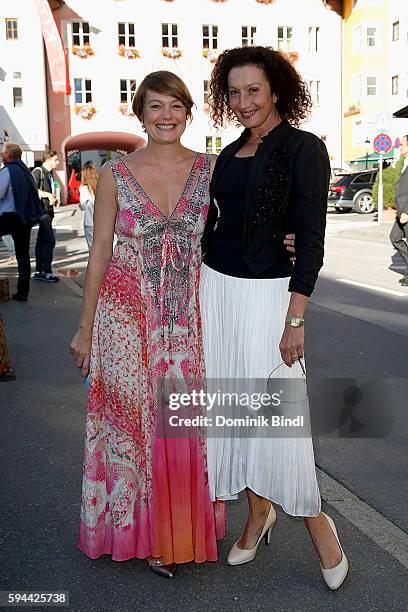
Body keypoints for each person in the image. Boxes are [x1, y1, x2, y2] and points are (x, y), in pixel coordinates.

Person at [200, 46, 348, 590]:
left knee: (280, 417)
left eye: (253, 91)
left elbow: (311, 235)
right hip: (218, 291)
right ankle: (257, 514)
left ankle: (317, 526)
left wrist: (296, 317)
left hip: (270, 297)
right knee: (234, 411)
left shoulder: (303, 148)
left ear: (277, 90)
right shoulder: (229, 151)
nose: (242, 102)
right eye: (234, 92)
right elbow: (216, 225)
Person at [70, 71, 226, 578]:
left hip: (188, 319)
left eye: (175, 105)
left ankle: (179, 527)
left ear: (187, 112)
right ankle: (151, 535)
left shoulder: (211, 169)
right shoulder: (116, 173)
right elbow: (99, 250)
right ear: (141, 114)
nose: (166, 115)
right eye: (155, 106)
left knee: (180, 423)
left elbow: (238, 234)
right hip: (126, 318)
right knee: (136, 428)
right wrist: (84, 327)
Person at [0, 142, 43, 301]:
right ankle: (23, 292)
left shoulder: (7, 171)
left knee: (21, 254)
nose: (1, 155)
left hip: (8, 216)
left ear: (9, 155)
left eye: (3, 153)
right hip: (24, 218)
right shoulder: (27, 172)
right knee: (23, 256)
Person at [32, 150, 60, 283]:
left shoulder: (49, 174)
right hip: (42, 212)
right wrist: (48, 195)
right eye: (55, 159)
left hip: (48, 211)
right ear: (48, 159)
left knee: (41, 241)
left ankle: (39, 271)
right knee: (49, 241)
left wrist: (54, 198)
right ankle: (46, 271)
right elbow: (33, 190)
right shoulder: (38, 171)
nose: (58, 162)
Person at [390, 134, 408, 286]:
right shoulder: (405, 162)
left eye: (402, 144)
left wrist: (407, 211)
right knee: (394, 237)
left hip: (406, 212)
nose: (400, 146)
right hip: (401, 212)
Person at [79, 162, 98, 251]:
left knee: (92, 250)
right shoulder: (100, 186)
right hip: (102, 224)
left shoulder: (84, 188)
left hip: (89, 222)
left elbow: (83, 206)